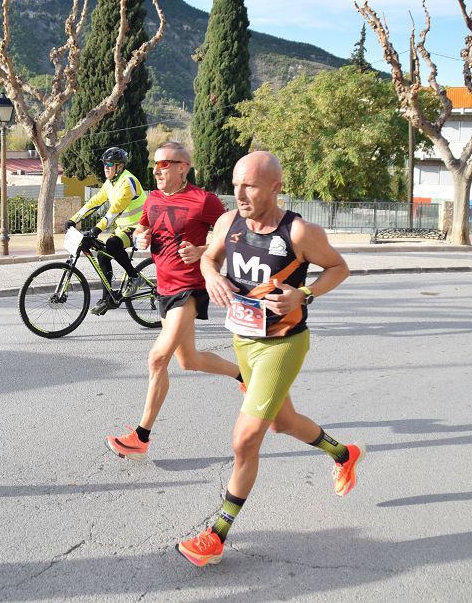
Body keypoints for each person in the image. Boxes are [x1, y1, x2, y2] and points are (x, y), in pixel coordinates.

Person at [176, 150, 362, 567]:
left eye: (251, 186)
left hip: (283, 343)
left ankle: (216, 535)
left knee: (245, 439)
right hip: (244, 339)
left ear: (276, 187)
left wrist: (304, 293)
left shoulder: (299, 232)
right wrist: (212, 275)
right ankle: (343, 454)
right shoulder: (229, 222)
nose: (240, 193)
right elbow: (208, 257)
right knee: (283, 422)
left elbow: (339, 267)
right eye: (237, 184)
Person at [105, 142, 244, 458]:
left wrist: (203, 250)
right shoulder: (152, 198)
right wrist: (141, 235)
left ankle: (141, 437)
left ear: (184, 166)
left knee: (157, 358)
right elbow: (144, 225)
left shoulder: (203, 200)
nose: (156, 170)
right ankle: (243, 375)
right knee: (189, 360)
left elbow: (231, 234)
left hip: (189, 289)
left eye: (164, 164)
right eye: (155, 164)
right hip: (165, 289)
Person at [65, 147, 147, 315]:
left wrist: (97, 229)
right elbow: (95, 202)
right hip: (123, 227)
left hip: (140, 226)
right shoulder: (110, 183)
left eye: (109, 164)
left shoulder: (128, 182)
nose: (106, 168)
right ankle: (107, 298)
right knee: (102, 254)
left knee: (112, 243)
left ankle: (134, 277)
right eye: (104, 165)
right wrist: (74, 219)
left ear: (120, 166)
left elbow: (115, 210)